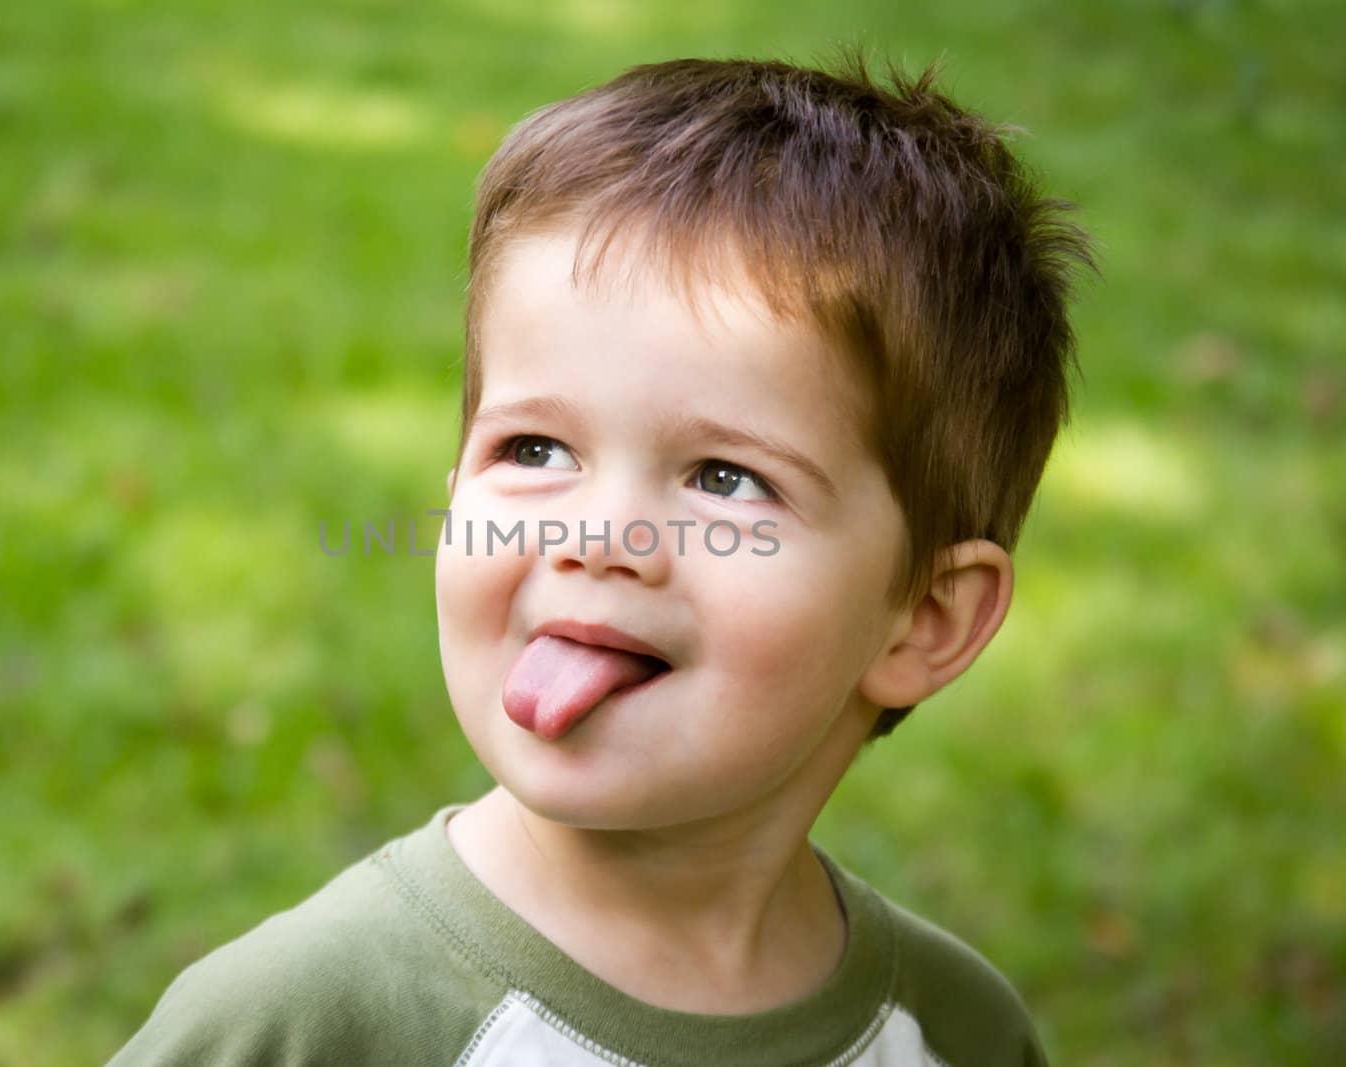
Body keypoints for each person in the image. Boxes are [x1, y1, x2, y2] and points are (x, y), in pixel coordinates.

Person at [108, 55, 1093, 1066]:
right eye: (534, 451)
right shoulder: (308, 1022)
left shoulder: (955, 1032)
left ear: (925, 616)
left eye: (723, 477)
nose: (596, 536)